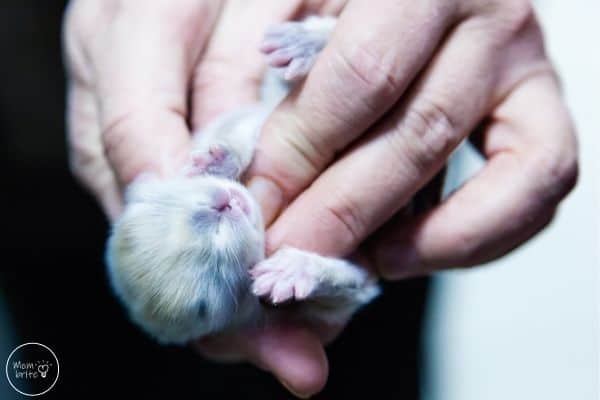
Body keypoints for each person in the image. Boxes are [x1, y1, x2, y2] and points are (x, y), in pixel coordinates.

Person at [63, 0, 578, 397]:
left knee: (371, 77)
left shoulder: (193, 162)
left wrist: (230, 149)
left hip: (329, 69)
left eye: (180, 209)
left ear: (150, 191)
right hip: (50, 203)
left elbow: (245, 121)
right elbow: (355, 287)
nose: (223, 209)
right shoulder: (260, 307)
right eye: (215, 267)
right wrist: (313, 272)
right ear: (232, 310)